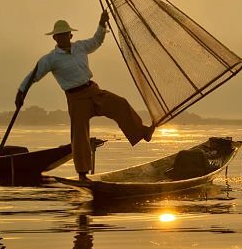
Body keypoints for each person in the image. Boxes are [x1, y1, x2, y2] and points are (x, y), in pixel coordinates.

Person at [15, 11, 154, 180]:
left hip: (93, 91)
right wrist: (21, 91)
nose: (63, 38)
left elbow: (96, 41)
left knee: (120, 104)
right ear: (55, 39)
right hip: (76, 98)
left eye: (65, 34)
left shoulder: (80, 46)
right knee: (80, 135)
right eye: (59, 36)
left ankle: (142, 132)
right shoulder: (50, 59)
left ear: (70, 35)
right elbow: (34, 75)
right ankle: (82, 174)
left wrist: (102, 24)